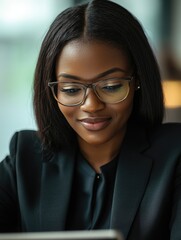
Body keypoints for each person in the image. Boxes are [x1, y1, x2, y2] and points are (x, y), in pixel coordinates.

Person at [0, 0, 181, 239]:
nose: (91, 105)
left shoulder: (175, 155)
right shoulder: (25, 159)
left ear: (138, 80)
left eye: (111, 86)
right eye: (72, 90)